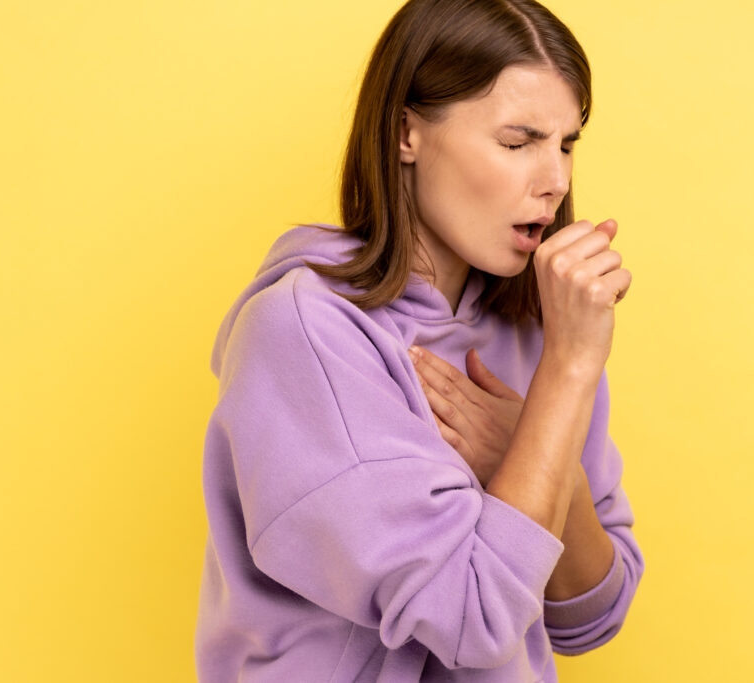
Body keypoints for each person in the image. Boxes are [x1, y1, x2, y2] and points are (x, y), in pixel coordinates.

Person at [194, 0, 643, 680]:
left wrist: (530, 446)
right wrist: (570, 370)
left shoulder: (543, 330)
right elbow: (475, 618)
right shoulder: (306, 333)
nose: (555, 181)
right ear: (407, 134)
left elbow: (591, 614)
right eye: (517, 143)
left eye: (566, 144)